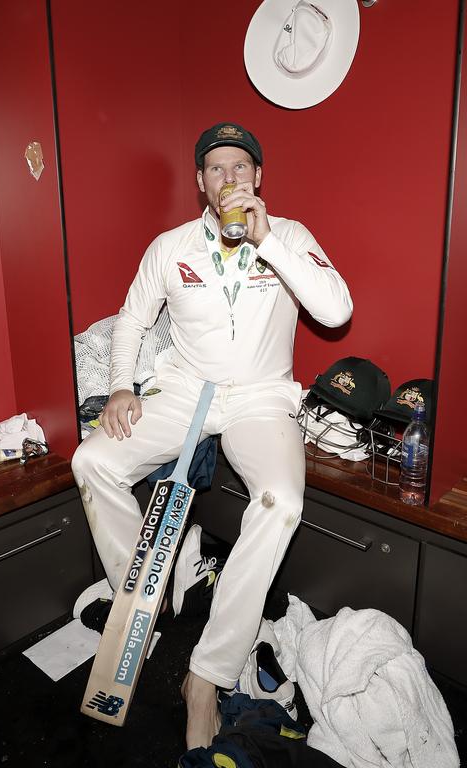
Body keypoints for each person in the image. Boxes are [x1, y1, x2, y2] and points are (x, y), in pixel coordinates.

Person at [71, 121, 352, 751]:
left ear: (258, 178)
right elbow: (132, 319)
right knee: (92, 462)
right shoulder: (170, 246)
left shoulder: (291, 235)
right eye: (217, 169)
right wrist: (121, 386)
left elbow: (336, 312)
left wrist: (270, 242)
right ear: (200, 182)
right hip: (186, 392)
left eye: (241, 168)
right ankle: (139, 604)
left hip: (260, 396)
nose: (229, 180)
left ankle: (208, 674)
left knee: (283, 502)